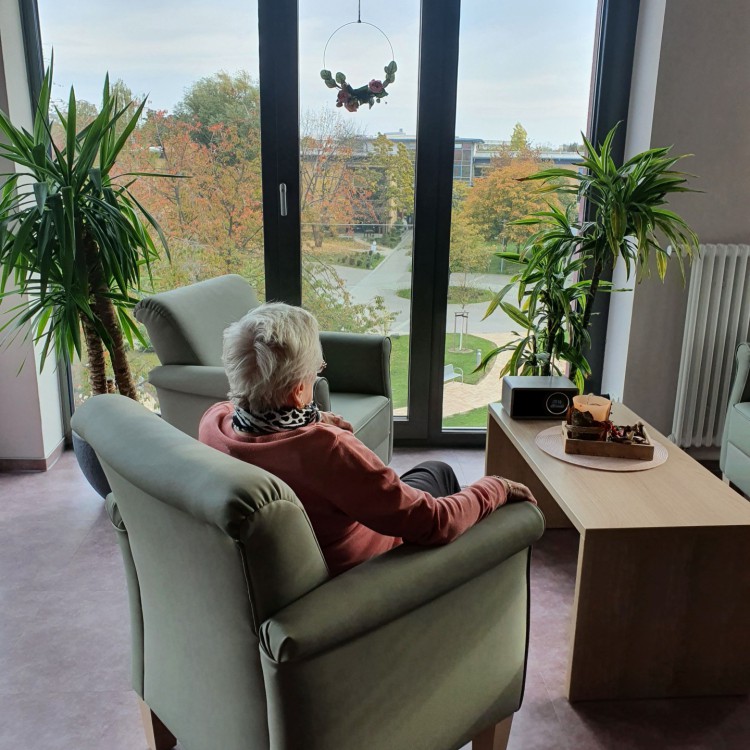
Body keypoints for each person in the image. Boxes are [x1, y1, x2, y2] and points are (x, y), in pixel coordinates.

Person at [199, 303, 536, 576]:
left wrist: (316, 419)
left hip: (310, 550)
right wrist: (496, 487)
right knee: (449, 481)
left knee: (434, 471)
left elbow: (269, 423)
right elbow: (435, 523)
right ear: (298, 391)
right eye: (315, 372)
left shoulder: (214, 423)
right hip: (368, 568)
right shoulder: (328, 451)